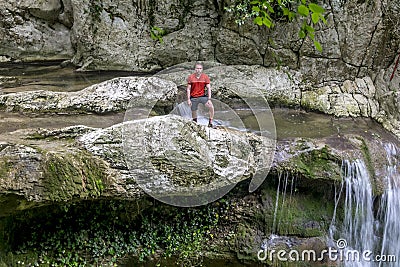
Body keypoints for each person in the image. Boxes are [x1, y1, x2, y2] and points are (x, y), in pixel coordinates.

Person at [187, 62, 214, 127]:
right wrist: (188, 99)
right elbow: (188, 89)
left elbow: (209, 88)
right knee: (194, 110)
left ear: (202, 69)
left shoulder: (205, 77)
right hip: (193, 97)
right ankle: (195, 123)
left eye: (200, 68)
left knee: (211, 107)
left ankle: (210, 122)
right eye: (197, 68)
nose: (198, 70)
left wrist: (209, 99)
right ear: (195, 69)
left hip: (202, 96)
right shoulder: (191, 77)